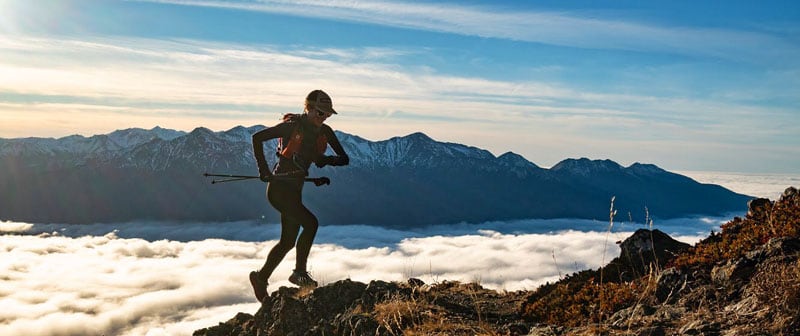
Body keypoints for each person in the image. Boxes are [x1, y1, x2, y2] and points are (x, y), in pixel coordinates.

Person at [249, 89, 349, 302]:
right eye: (320, 113)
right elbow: (257, 138)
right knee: (311, 224)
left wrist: (324, 161)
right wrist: (263, 171)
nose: (323, 118)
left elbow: (344, 158)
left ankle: (260, 278)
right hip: (279, 189)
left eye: (327, 114)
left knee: (287, 242)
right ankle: (299, 273)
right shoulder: (292, 126)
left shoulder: (325, 131)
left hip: (294, 190)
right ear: (308, 108)